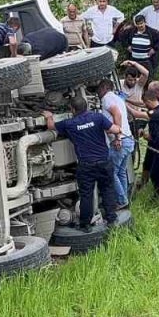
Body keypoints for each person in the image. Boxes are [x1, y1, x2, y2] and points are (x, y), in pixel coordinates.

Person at [44, 98, 120, 231]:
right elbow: (115, 129)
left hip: (86, 166)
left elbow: (51, 126)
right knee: (107, 190)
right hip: (104, 162)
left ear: (72, 109)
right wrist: (118, 128)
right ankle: (112, 219)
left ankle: (85, 225)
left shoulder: (69, 123)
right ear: (87, 107)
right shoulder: (98, 117)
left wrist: (49, 116)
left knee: (86, 195)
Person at [98, 79, 135, 210]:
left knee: (111, 172)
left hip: (120, 141)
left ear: (103, 88)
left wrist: (117, 136)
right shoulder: (118, 98)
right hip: (128, 139)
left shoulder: (107, 98)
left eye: (98, 89)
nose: (98, 92)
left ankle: (121, 200)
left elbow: (117, 114)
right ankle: (124, 199)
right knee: (121, 173)